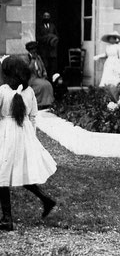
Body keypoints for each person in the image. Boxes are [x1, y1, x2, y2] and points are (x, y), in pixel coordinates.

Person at [0, 56, 57, 231]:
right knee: (20, 170)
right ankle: (45, 199)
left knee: (2, 175)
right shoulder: (30, 91)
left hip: (6, 132)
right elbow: (33, 117)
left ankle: (7, 219)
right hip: (24, 132)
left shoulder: (2, 90)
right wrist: (30, 136)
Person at [25, 41, 54, 109]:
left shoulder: (38, 57)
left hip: (39, 77)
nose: (34, 51)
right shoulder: (27, 58)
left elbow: (43, 67)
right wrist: (32, 60)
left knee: (48, 84)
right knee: (42, 85)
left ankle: (47, 102)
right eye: (32, 49)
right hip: (31, 78)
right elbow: (28, 70)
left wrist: (44, 74)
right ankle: (39, 103)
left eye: (35, 49)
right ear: (30, 50)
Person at [36, 12, 59, 81]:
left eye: (48, 16)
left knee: (52, 67)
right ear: (43, 17)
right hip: (44, 51)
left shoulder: (53, 26)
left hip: (52, 51)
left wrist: (53, 38)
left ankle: (52, 81)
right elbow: (38, 37)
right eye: (45, 16)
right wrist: (47, 38)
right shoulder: (40, 27)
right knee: (45, 66)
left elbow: (57, 36)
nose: (46, 18)